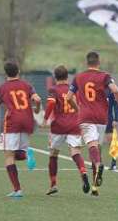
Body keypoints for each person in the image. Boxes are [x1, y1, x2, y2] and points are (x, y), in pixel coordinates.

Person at [66, 51, 118, 197]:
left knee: (92, 146)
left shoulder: (78, 77)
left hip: (86, 117)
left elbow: (68, 97)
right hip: (102, 118)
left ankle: (98, 166)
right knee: (97, 149)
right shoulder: (105, 76)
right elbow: (115, 90)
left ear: (87, 63)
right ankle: (94, 187)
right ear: (98, 62)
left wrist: (77, 108)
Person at [0, 60, 41, 198]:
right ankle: (26, 154)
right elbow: (37, 99)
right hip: (28, 121)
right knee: (17, 153)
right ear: (18, 71)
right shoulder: (27, 85)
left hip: (13, 123)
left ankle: (17, 190)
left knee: (8, 156)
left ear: (6, 73)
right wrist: (36, 110)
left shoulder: (2, 88)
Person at [43, 65, 90, 195]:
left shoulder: (53, 89)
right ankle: (83, 171)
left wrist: (45, 118)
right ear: (67, 76)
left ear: (55, 77)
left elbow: (51, 103)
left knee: (53, 154)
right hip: (74, 124)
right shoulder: (75, 89)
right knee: (75, 152)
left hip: (59, 126)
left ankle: (53, 184)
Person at [104, 91, 118, 170]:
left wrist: (116, 119)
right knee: (94, 140)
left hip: (107, 118)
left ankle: (114, 162)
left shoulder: (110, 89)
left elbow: (116, 105)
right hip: (96, 117)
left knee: (110, 141)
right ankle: (95, 162)